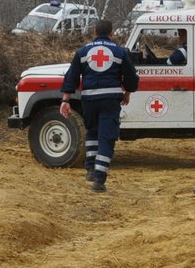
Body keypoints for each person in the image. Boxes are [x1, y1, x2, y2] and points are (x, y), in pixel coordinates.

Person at [59, 19, 138, 193]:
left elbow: (71, 76)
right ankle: (99, 181)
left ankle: (90, 169)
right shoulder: (119, 52)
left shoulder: (82, 51)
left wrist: (65, 100)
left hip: (89, 100)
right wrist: (128, 92)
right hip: (110, 100)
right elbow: (131, 75)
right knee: (106, 138)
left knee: (92, 132)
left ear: (94, 32)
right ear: (112, 33)